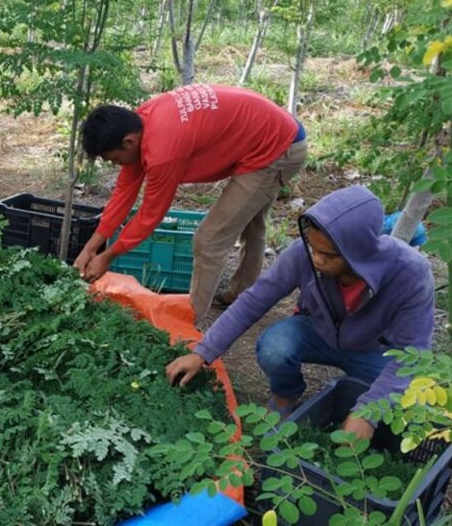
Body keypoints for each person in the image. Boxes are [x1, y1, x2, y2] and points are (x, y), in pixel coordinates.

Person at [164, 186, 435, 439]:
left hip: (374, 350)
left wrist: (368, 412)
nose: (316, 259)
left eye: (327, 255)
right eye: (313, 248)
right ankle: (285, 396)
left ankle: (354, 399)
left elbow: (412, 356)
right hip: (317, 333)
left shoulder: (410, 274)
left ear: (357, 253)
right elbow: (254, 300)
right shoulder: (303, 254)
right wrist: (203, 352)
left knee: (408, 406)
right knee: (275, 347)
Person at [74, 84, 308, 324]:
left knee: (208, 241)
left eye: (114, 159)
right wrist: (92, 247)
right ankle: (243, 296)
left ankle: (187, 325)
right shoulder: (140, 122)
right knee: (249, 219)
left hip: (277, 149)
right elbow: (124, 192)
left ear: (129, 142)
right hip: (272, 130)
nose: (116, 165)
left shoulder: (163, 150)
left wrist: (109, 256)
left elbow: (149, 215)